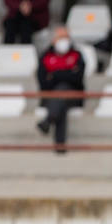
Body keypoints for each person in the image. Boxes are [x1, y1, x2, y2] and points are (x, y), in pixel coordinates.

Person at [34, 26, 84, 154]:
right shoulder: (45, 56)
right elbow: (43, 83)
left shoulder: (77, 55)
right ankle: (60, 145)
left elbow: (77, 79)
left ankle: (48, 121)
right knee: (60, 99)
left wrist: (54, 75)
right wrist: (67, 74)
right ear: (53, 40)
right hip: (51, 97)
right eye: (60, 37)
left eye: (66, 37)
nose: (64, 40)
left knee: (62, 91)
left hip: (74, 96)